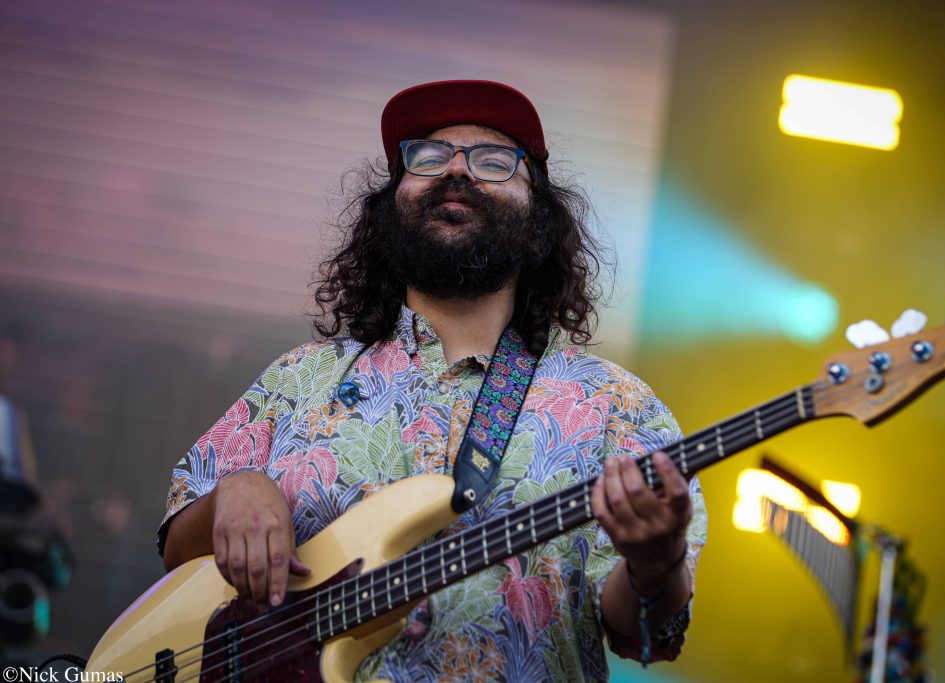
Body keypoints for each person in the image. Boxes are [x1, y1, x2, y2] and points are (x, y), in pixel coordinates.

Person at [159, 80, 708, 681]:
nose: (457, 170)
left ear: (540, 220)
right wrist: (234, 490)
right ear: (390, 205)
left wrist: (658, 562)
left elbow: (639, 632)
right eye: (428, 156)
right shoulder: (300, 377)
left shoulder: (616, 405)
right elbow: (179, 558)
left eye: (493, 161)